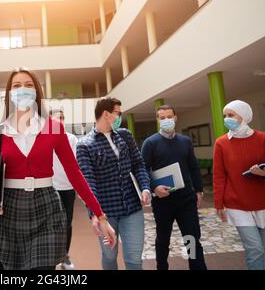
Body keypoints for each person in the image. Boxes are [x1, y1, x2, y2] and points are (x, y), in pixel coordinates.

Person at [0, 67, 116, 270]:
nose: (22, 90)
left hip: (46, 207)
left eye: (28, 85)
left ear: (37, 91)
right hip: (10, 208)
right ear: (9, 93)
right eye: (16, 86)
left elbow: (74, 173)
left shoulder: (53, 127)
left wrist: (99, 215)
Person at [77, 97, 151, 270]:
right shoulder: (85, 145)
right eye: (118, 113)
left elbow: (138, 164)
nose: (120, 117)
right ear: (106, 114)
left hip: (132, 207)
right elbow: (89, 183)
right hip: (106, 213)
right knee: (110, 257)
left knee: (134, 259)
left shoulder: (125, 136)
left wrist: (145, 187)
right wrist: (95, 213)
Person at [141, 105, 207, 270]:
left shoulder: (185, 141)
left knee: (192, 238)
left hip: (186, 199)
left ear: (175, 117)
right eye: (162, 118)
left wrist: (199, 190)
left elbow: (193, 167)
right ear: (158, 120)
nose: (166, 120)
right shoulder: (150, 143)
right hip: (163, 201)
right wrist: (154, 187)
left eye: (169, 116)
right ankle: (161, 266)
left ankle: (197, 267)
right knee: (163, 239)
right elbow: (142, 170)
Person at [213, 100, 265, 270]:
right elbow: (219, 175)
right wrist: (218, 203)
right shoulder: (221, 143)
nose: (227, 119)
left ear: (243, 115)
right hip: (236, 203)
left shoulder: (262, 138)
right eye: (225, 116)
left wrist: (262, 173)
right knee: (255, 249)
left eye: (231, 115)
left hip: (262, 202)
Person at [50, 109, 78, 270]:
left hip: (67, 188)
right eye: (56, 118)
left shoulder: (71, 138)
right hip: (50, 188)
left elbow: (75, 165)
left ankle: (64, 256)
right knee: (51, 225)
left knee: (67, 224)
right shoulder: (44, 138)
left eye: (62, 118)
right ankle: (51, 257)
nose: (60, 121)